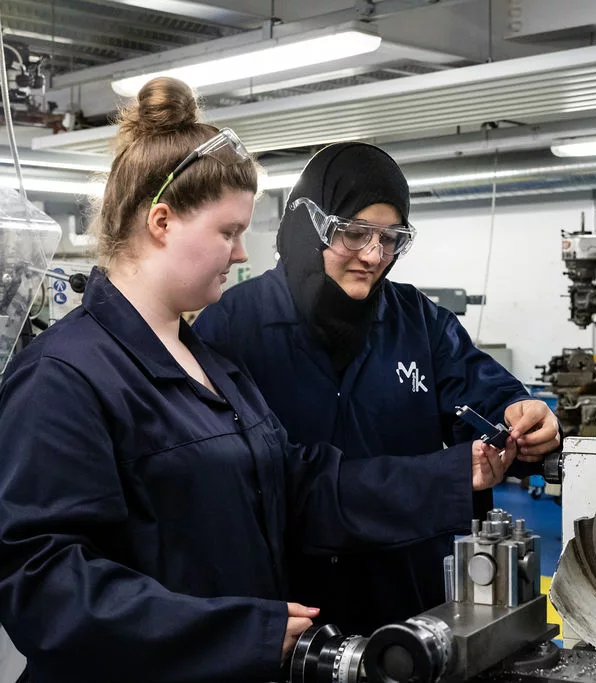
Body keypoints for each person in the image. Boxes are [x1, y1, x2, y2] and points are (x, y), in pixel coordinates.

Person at [0, 78, 516, 683]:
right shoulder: (63, 376)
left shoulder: (212, 365)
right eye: (228, 231)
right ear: (162, 221)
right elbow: (43, 584)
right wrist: (243, 633)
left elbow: (299, 489)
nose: (243, 253)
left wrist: (453, 474)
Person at [192, 142, 562, 634]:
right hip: (289, 602)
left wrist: (523, 413)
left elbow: (482, 390)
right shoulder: (233, 328)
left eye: (389, 239)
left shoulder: (419, 322)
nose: (373, 255)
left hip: (406, 592)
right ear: (310, 225)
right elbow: (246, 483)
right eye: (354, 234)